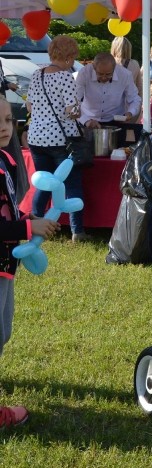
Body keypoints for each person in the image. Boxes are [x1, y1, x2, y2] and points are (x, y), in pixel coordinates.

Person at [0, 96, 61, 430]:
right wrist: (27, 228)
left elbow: (6, 207)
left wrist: (28, 217)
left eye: (9, 120)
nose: (4, 127)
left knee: (2, 331)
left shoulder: (5, 159)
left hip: (5, 264)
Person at [26, 35, 89, 242]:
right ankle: (76, 231)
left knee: (44, 183)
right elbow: (72, 111)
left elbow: (29, 106)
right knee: (71, 184)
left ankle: (35, 225)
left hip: (36, 138)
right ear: (70, 57)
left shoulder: (37, 74)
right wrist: (78, 110)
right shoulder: (65, 77)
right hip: (61, 140)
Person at [76, 52, 141, 129]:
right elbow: (75, 100)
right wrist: (86, 121)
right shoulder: (84, 73)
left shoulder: (125, 74)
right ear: (94, 67)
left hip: (116, 121)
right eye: (100, 74)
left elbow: (135, 99)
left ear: (115, 68)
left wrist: (130, 112)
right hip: (88, 119)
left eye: (108, 74)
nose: (104, 78)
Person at [110, 37, 142, 104]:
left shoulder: (109, 62)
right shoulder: (135, 64)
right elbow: (139, 87)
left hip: (111, 103)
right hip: (129, 103)